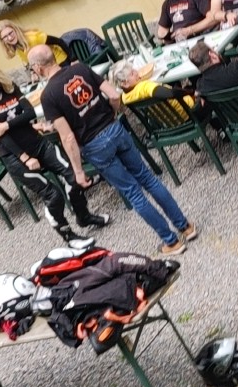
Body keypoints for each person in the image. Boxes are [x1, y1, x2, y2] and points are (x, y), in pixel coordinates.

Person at [30, 44, 197, 256]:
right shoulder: (80, 68)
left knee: (133, 193)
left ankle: (171, 242)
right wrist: (112, 114)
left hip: (94, 145)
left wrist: (78, 171)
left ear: (38, 67)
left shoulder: (48, 96)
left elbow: (67, 137)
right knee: (148, 179)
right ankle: (185, 226)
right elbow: (114, 95)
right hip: (114, 128)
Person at [0, 59, 109, 241]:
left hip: (37, 142)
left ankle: (83, 216)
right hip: (15, 156)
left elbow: (30, 113)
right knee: (53, 195)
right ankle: (69, 237)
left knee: (73, 175)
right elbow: (1, 136)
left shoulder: (9, 88)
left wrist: (6, 125)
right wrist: (25, 157)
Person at [0, 19, 68, 61]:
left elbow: (59, 41)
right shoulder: (16, 47)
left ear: (16, 30)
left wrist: (73, 59)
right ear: (2, 40)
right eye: (5, 37)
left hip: (60, 61)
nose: (10, 38)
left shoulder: (33, 38)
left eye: (10, 33)